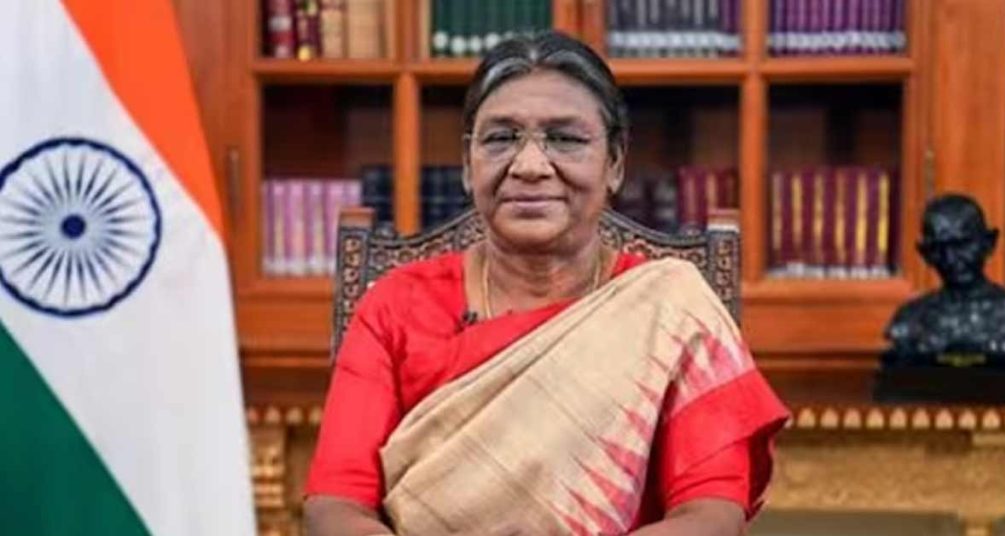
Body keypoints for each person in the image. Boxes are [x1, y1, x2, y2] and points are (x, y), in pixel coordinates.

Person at [304, 31, 789, 535]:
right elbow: (335, 507)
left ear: (615, 163)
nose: (530, 166)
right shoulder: (398, 306)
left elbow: (710, 515)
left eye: (566, 139)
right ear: (468, 165)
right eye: (501, 138)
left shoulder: (671, 310)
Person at [885, 193, 1005, 363]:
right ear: (925, 254)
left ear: (988, 243)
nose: (950, 259)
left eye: (962, 245)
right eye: (939, 248)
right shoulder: (910, 320)